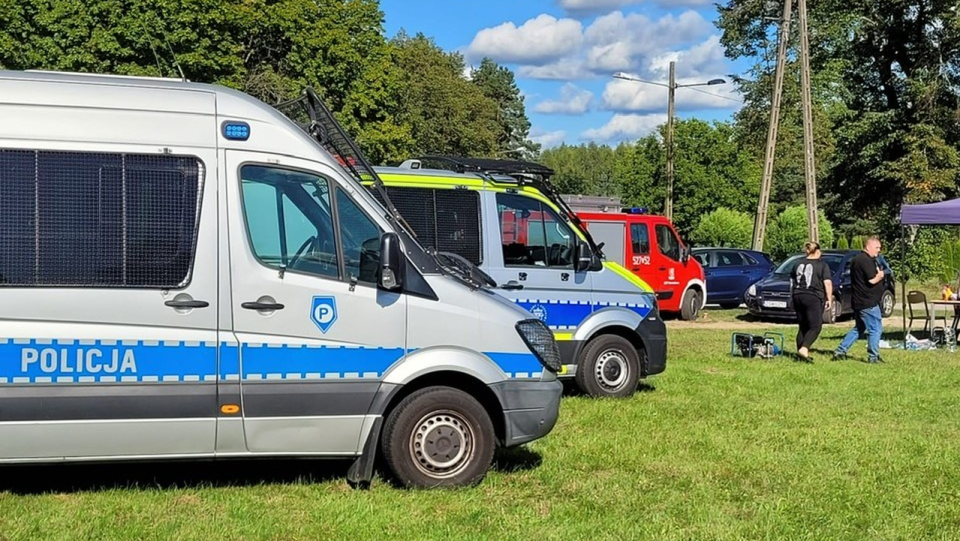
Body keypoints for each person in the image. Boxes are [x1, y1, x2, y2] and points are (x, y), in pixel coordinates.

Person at [834, 236, 886, 363]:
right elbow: (871, 280)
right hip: (867, 302)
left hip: (859, 301)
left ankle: (840, 350)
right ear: (868, 247)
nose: (879, 250)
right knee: (875, 329)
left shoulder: (857, 259)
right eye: (877, 247)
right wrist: (880, 276)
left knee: (859, 328)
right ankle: (873, 357)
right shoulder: (865, 261)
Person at [791, 242, 833, 361]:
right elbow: (827, 283)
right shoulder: (822, 265)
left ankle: (801, 354)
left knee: (803, 326)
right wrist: (829, 298)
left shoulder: (797, 263)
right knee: (815, 326)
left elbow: (792, 282)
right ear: (817, 251)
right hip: (813, 296)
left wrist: (792, 296)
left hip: (797, 295)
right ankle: (804, 349)